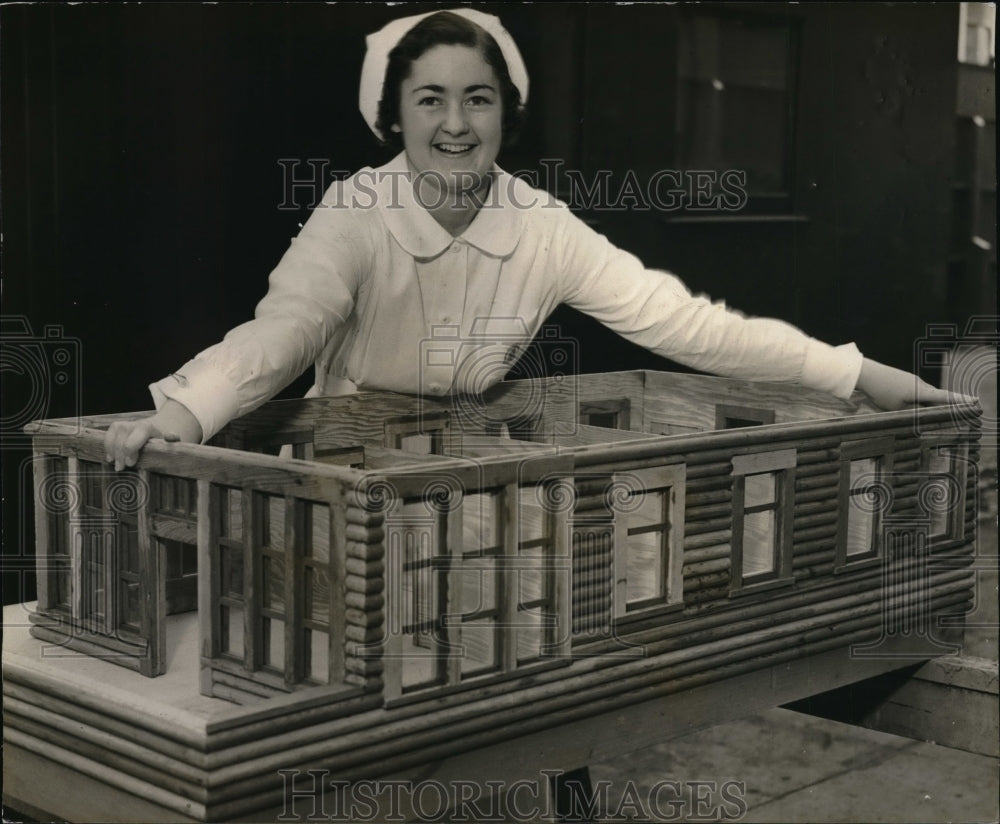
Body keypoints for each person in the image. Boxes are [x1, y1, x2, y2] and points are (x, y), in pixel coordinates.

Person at [105, 8, 956, 471]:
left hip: (470, 477)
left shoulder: (543, 228)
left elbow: (692, 326)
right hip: (346, 475)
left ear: (506, 113)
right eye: (429, 98)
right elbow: (285, 330)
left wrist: (862, 375)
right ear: (392, 114)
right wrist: (185, 413)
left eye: (477, 98)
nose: (454, 122)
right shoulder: (355, 209)